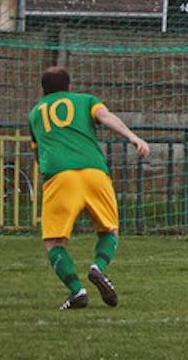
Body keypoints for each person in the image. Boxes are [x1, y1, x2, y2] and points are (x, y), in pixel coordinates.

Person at [28, 66, 150, 310]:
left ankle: (77, 291)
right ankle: (98, 267)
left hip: (60, 176)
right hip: (94, 172)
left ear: (43, 92)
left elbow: (38, 153)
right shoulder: (86, 101)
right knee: (109, 230)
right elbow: (106, 117)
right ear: (69, 87)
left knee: (55, 241)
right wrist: (133, 137)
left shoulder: (35, 114)